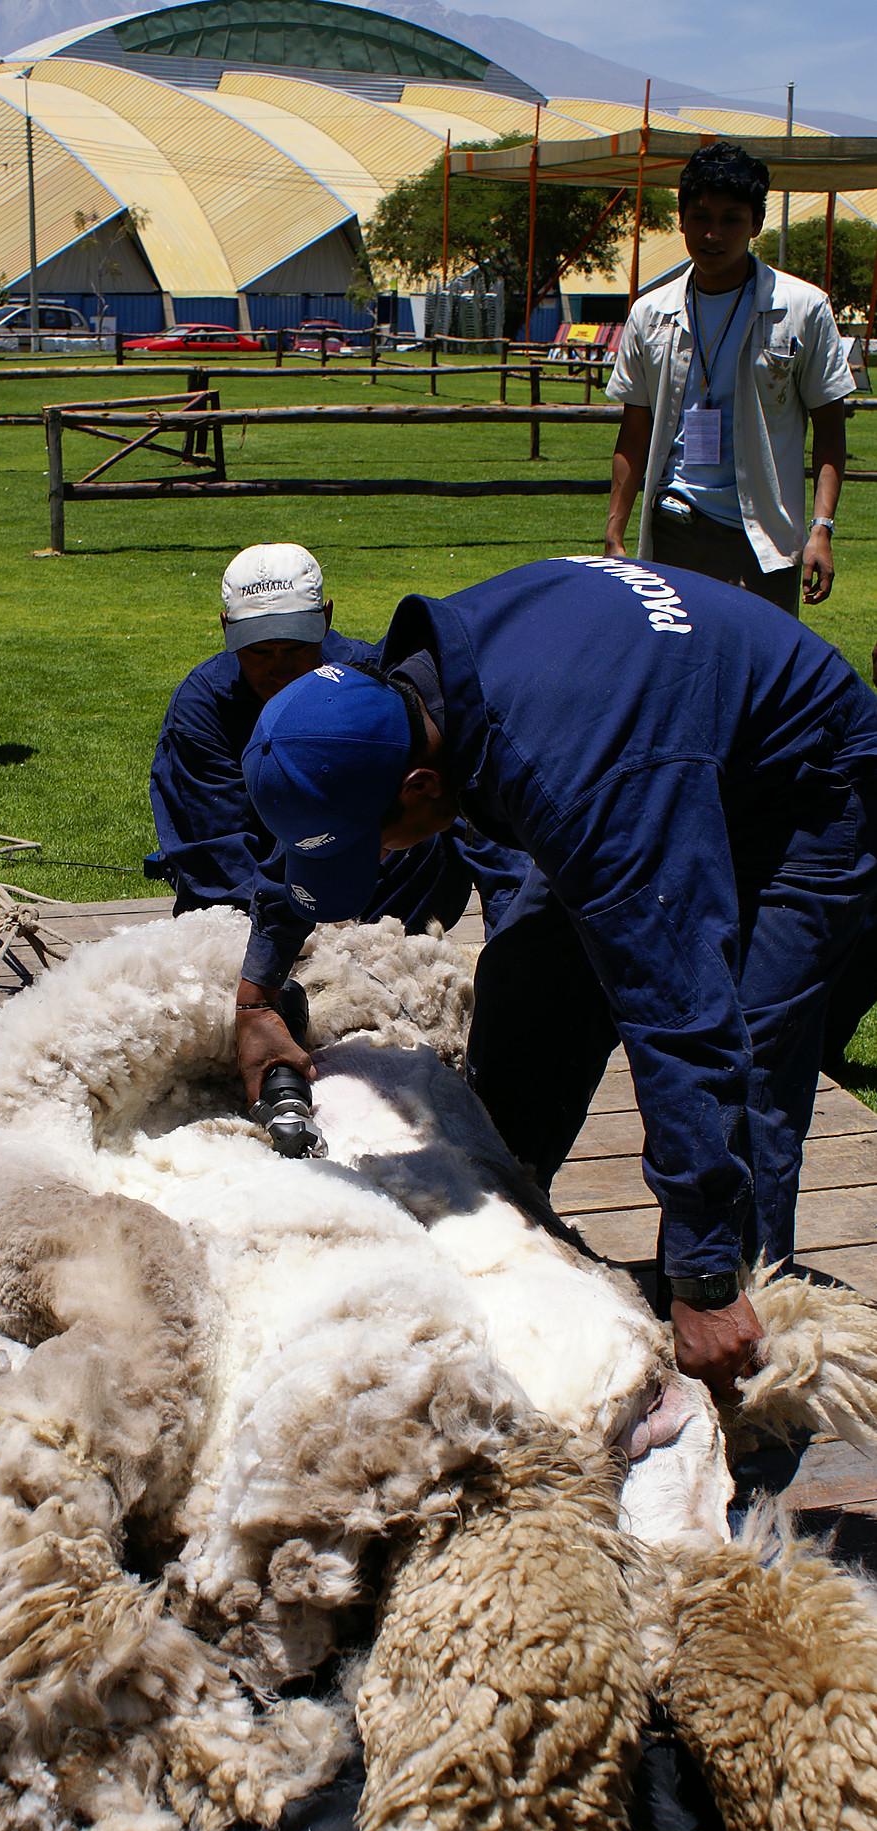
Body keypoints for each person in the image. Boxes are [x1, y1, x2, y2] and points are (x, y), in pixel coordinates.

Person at [233, 555, 877, 1401]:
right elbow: (310, 827)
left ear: (423, 786)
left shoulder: (580, 785)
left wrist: (703, 1276)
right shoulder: (370, 697)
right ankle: (503, 1237)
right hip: (649, 732)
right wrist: (257, 991)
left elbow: (677, 1011)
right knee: (529, 989)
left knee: (749, 1050)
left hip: (800, 786)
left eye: (377, 843)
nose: (379, 861)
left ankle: (742, 1344)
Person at [148, 542, 527, 950]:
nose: (279, 666)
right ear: (225, 628)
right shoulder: (202, 708)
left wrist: (512, 942)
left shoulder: (378, 682)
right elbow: (215, 855)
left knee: (427, 835)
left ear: (326, 618)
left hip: (373, 879)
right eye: (258, 651)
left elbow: (473, 803)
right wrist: (276, 946)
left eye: (296, 646)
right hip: (256, 891)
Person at [605, 141, 853, 614]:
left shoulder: (802, 308)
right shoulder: (649, 312)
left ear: (756, 224)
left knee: (762, 677)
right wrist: (614, 530)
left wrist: (821, 528)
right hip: (675, 528)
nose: (712, 234)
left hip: (765, 540)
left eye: (731, 219)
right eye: (700, 218)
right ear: (681, 220)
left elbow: (830, 431)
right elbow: (633, 432)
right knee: (678, 673)